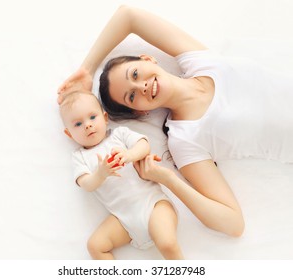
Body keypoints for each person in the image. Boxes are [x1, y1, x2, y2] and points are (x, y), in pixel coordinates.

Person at [58, 5, 293, 237]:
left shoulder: (201, 61)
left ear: (148, 59)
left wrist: (87, 70)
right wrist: (168, 179)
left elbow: (128, 16)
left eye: (136, 74)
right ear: (139, 113)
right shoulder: (185, 139)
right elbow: (233, 223)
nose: (142, 87)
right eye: (131, 96)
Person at [59, 90, 183, 260]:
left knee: (167, 243)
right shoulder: (79, 157)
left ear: (104, 117)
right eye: (78, 124)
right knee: (95, 246)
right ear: (69, 133)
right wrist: (100, 174)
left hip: (153, 204)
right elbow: (86, 184)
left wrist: (129, 155)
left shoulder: (119, 134)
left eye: (92, 117)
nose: (87, 125)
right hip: (123, 219)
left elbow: (143, 145)